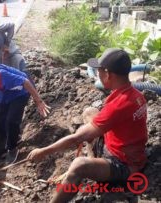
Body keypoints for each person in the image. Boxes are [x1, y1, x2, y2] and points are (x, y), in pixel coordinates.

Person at [27, 48, 148, 203]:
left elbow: (77, 138)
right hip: (120, 148)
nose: (97, 74)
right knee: (90, 112)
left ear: (108, 74)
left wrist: (44, 151)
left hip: (124, 165)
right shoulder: (134, 94)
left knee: (79, 164)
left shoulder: (120, 105)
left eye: (99, 71)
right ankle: (95, 160)